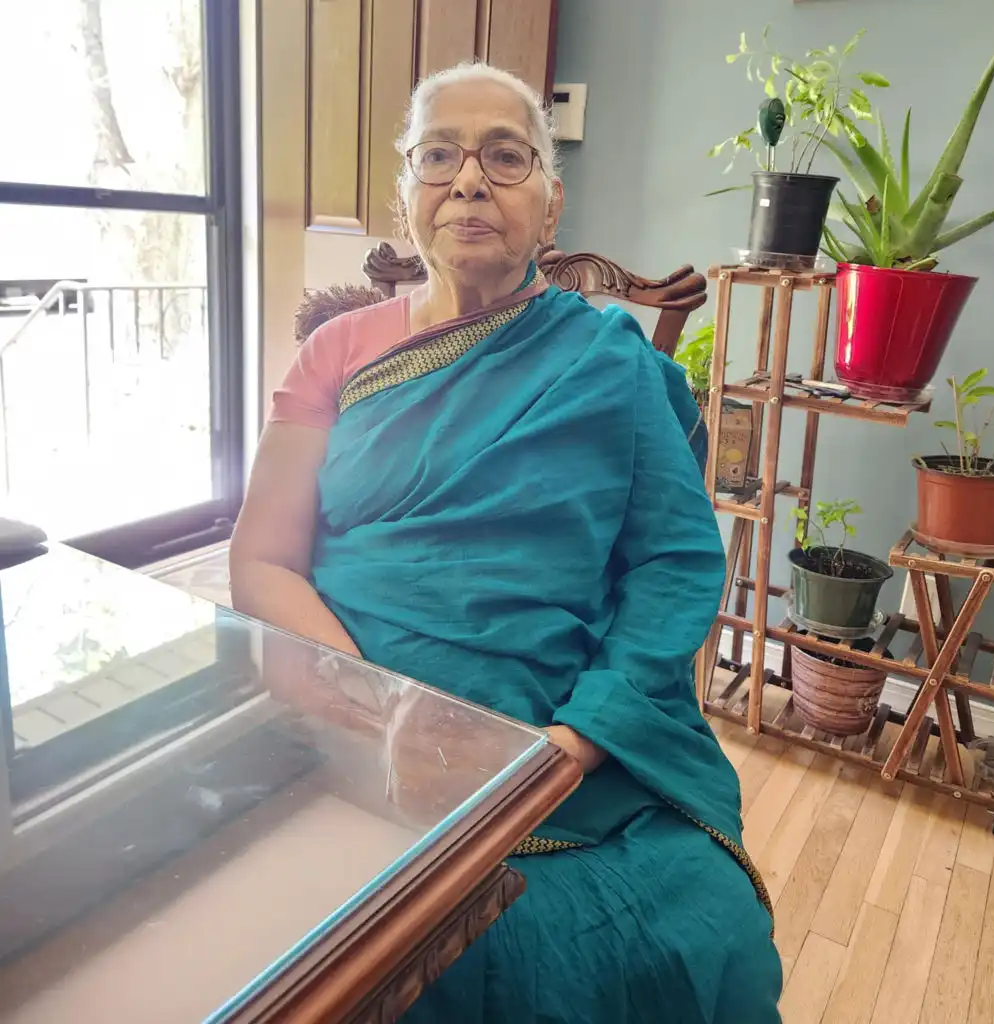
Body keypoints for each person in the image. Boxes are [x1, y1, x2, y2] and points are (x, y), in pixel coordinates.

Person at [230, 62, 781, 1024]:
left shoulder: (608, 361)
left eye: (505, 156)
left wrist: (578, 742)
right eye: (439, 155)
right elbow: (263, 560)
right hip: (346, 714)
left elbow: (673, 564)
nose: (470, 181)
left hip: (560, 740)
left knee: (693, 923)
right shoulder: (336, 353)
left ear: (551, 204)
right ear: (406, 194)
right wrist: (374, 704)